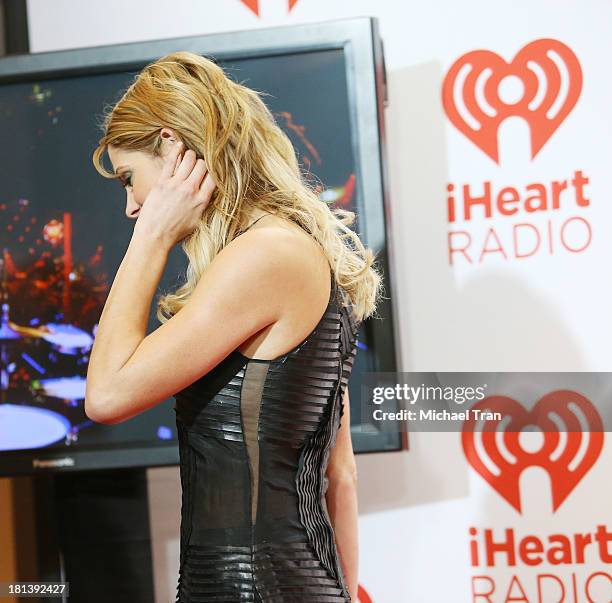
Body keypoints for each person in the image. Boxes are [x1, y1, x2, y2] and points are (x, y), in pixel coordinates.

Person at [85, 50, 383, 602]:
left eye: (130, 179)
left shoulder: (264, 255)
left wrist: (151, 236)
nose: (131, 205)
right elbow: (341, 476)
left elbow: (105, 394)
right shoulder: (289, 249)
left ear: (174, 147)